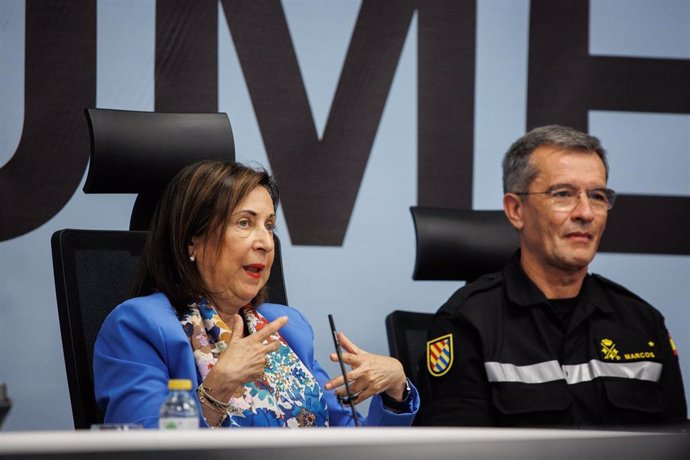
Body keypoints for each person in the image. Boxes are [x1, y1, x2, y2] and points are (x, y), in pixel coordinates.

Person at [94, 160, 418, 428]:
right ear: (193, 241)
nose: (265, 242)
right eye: (245, 223)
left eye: (269, 225)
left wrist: (395, 391)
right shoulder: (139, 326)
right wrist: (217, 389)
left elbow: (353, 446)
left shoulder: (287, 328)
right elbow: (142, 449)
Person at [418, 125, 687, 428]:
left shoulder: (642, 322)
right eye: (563, 194)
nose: (585, 212)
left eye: (597, 196)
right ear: (516, 210)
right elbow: (456, 453)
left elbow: (675, 444)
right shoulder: (467, 322)